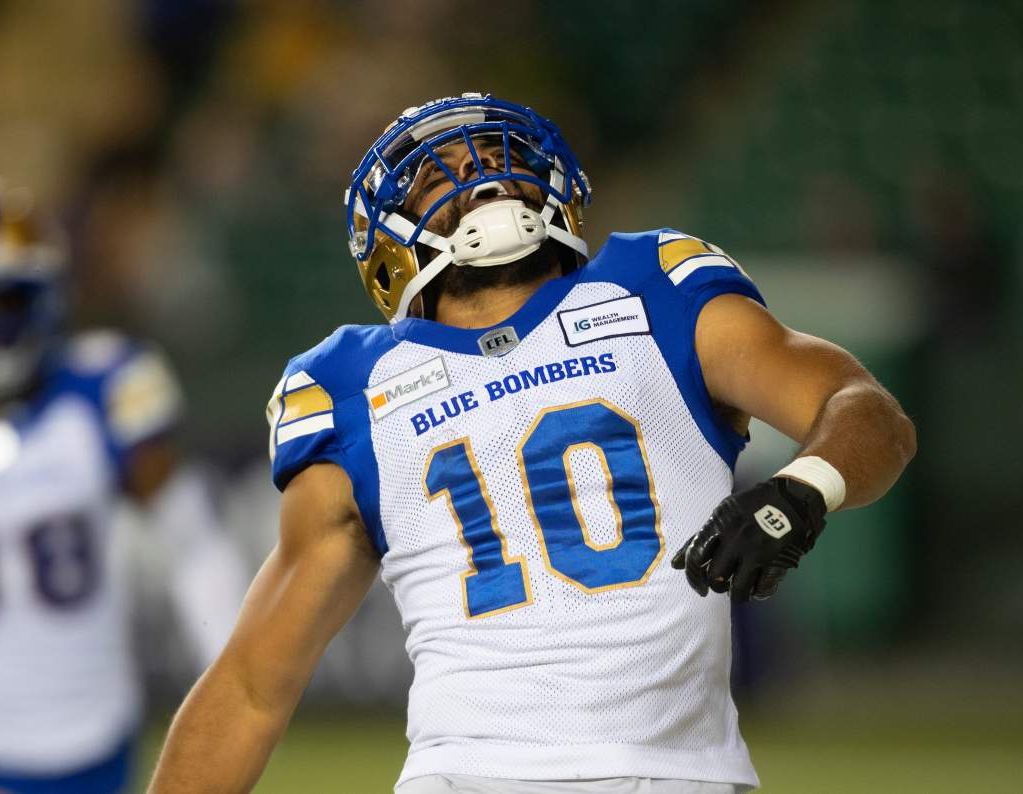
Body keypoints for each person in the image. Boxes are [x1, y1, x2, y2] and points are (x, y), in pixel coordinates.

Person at [149, 93, 916, 793]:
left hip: (677, 774)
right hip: (466, 775)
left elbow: (867, 411)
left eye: (500, 157)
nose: (481, 178)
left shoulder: (652, 289)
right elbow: (252, 686)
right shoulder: (352, 386)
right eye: (437, 174)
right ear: (385, 240)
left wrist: (801, 492)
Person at [0, 176, 246, 793]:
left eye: (3, 301)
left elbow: (192, 540)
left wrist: (231, 674)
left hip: (92, 731)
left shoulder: (102, 387)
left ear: (41, 301)